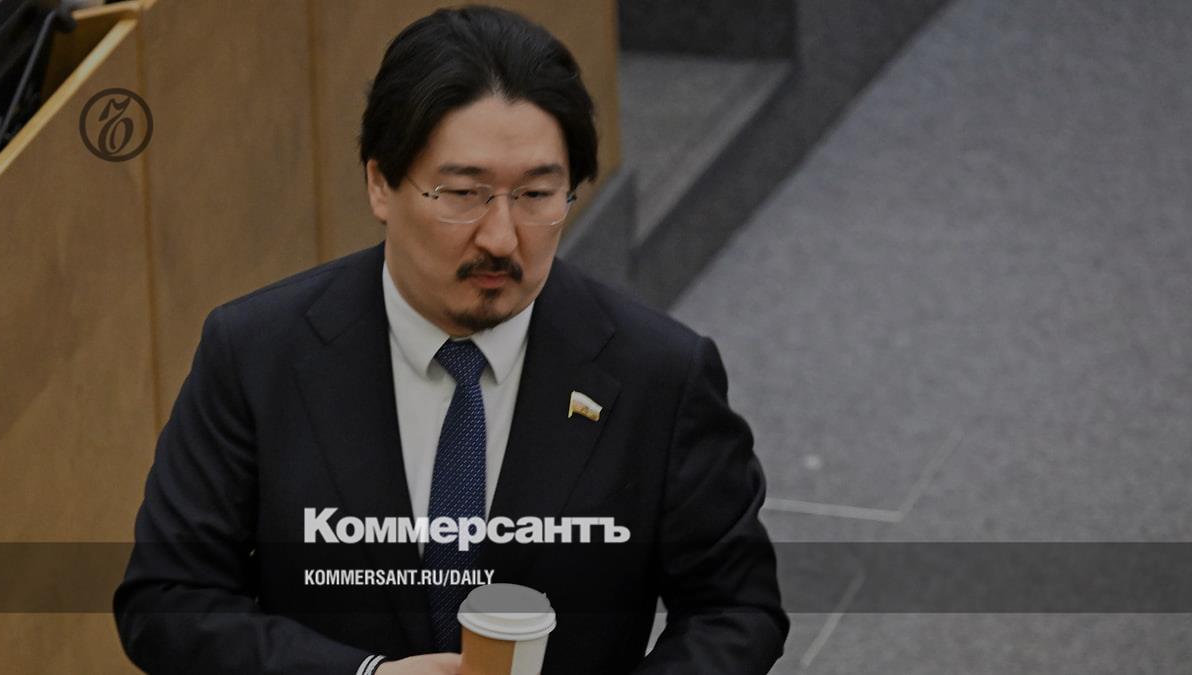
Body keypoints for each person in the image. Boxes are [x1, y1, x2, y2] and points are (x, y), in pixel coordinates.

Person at [113, 5, 788, 674]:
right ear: (380, 183)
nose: (501, 237)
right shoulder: (256, 354)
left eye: (537, 195)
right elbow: (168, 600)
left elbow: (737, 610)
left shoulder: (659, 372)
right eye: (464, 194)